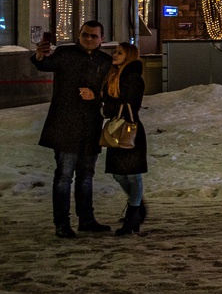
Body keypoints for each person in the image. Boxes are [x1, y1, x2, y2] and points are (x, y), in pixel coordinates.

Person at [31, 21, 113, 238]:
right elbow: (44, 64)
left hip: (91, 126)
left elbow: (110, 92)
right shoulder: (66, 54)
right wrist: (39, 55)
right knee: (64, 176)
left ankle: (86, 219)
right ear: (79, 35)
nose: (89, 39)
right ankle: (62, 223)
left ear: (102, 39)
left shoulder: (105, 61)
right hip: (65, 125)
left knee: (86, 175)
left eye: (93, 36)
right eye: (85, 35)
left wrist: (96, 97)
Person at [102, 42, 148, 236]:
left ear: (128, 56)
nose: (115, 54)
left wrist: (108, 108)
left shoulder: (132, 77)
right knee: (119, 174)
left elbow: (130, 104)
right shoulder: (114, 75)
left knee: (133, 175)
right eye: (115, 51)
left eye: (120, 53)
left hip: (130, 130)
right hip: (118, 130)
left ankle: (132, 215)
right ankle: (137, 207)